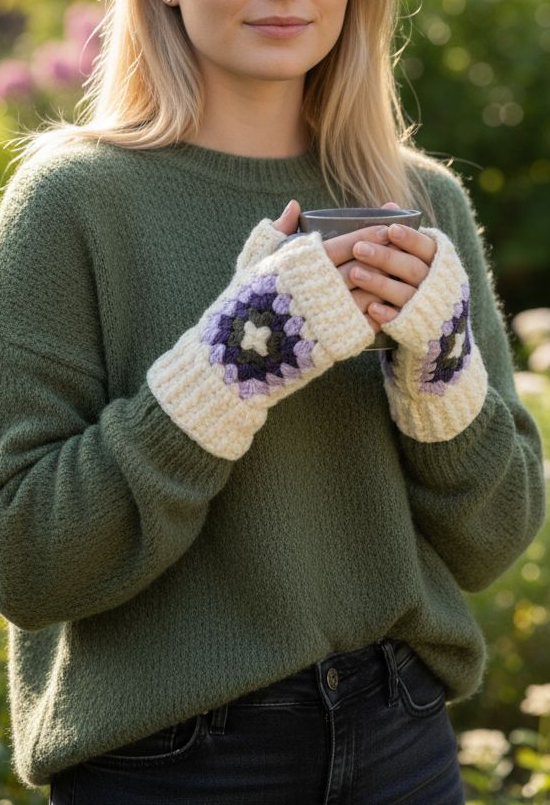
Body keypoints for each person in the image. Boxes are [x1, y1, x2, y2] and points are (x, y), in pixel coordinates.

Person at [0, 0, 545, 803]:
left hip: (403, 742)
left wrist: (440, 375)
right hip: (175, 763)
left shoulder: (424, 203)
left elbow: (493, 540)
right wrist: (224, 369)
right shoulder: (72, 202)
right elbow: (26, 563)